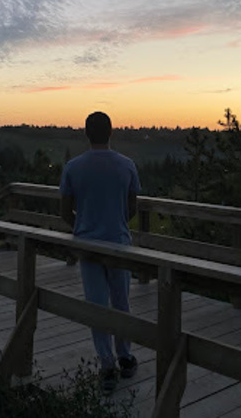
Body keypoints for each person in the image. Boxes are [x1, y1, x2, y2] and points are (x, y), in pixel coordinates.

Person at [59, 111, 140, 393]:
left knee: (97, 305)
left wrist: (83, 226)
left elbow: (64, 211)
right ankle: (125, 357)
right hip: (119, 244)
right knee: (122, 303)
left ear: (86, 133)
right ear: (111, 132)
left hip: (88, 246)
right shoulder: (127, 165)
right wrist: (114, 223)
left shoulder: (73, 167)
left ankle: (107, 367)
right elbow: (132, 208)